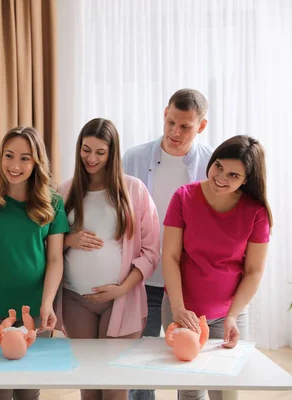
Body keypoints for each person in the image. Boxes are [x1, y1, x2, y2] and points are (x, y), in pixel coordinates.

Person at [0, 126, 69, 400]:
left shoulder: (52, 202)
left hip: (35, 309)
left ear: (36, 162)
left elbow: (55, 259)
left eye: (25, 158)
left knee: (29, 387)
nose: (15, 165)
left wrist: (47, 303)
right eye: (8, 156)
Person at [162, 135, 271, 400]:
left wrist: (232, 315)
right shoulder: (183, 197)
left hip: (228, 314)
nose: (221, 177)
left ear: (247, 179)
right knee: (190, 390)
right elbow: (171, 256)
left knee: (226, 391)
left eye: (233, 175)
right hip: (183, 309)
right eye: (218, 166)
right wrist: (178, 308)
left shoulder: (256, 212)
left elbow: (254, 271)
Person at [61, 118, 160, 400]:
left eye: (100, 152)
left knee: (115, 387)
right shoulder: (65, 190)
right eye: (85, 149)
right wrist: (70, 239)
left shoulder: (135, 190)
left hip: (122, 299)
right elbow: (48, 243)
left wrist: (123, 288)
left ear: (112, 153)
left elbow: (152, 250)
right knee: (89, 385)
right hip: (75, 300)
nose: (91, 158)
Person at [123, 89, 212, 400]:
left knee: (188, 363)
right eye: (170, 122)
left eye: (185, 126)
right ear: (164, 113)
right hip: (141, 276)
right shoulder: (132, 158)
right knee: (139, 362)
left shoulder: (212, 165)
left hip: (188, 281)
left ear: (200, 126)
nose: (175, 132)